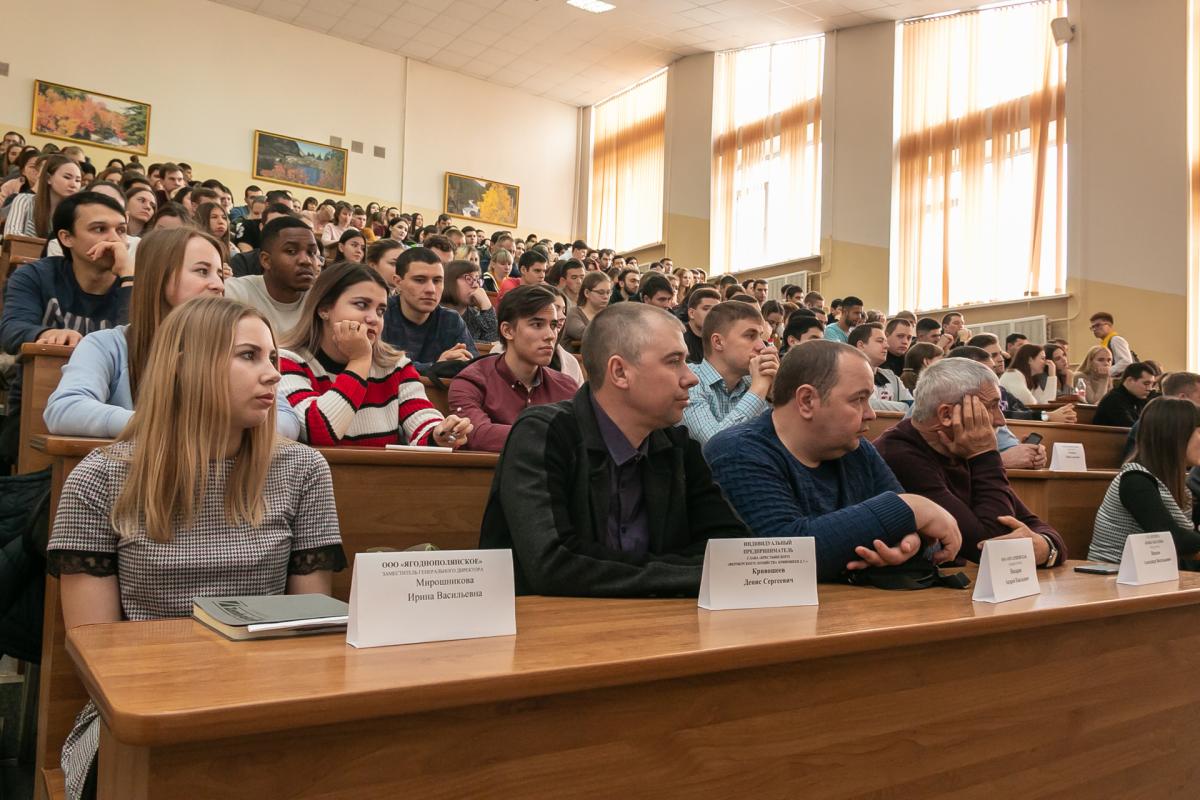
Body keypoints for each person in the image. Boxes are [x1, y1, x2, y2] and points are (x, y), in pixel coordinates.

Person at [47, 296, 346, 799]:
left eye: (273, 357)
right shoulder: (100, 479)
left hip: (267, 704)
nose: (274, 374)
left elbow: (305, 633)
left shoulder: (303, 471)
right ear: (184, 368)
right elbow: (96, 654)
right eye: (248, 356)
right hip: (142, 713)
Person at [478, 302, 751, 596]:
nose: (691, 377)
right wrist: (691, 572)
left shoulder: (678, 445)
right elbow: (553, 564)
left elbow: (731, 552)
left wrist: (665, 573)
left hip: (662, 628)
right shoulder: (543, 434)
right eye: (674, 361)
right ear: (619, 372)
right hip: (552, 631)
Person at [705, 341, 962, 582]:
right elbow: (784, 556)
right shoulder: (737, 451)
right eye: (858, 399)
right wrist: (910, 509)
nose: (871, 414)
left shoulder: (857, 449)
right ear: (807, 400)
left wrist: (911, 545)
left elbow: (930, 539)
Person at [43, 227, 299, 439]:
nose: (219, 285)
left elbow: (287, 421)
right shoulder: (108, 345)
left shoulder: (239, 347)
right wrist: (171, 428)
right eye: (202, 271)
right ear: (159, 276)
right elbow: (65, 410)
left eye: (220, 274)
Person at [874, 358, 1067, 568]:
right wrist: (985, 454)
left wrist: (1045, 547)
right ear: (947, 414)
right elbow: (990, 544)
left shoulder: (960, 449)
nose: (1001, 420)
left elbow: (1034, 525)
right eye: (991, 407)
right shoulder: (900, 455)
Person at [0, 192, 133, 465]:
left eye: (121, 230)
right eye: (99, 229)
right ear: (66, 237)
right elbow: (11, 329)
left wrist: (129, 278)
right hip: (37, 403)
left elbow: (139, 339)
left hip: (119, 410)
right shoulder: (35, 276)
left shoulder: (133, 282)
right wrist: (44, 334)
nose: (114, 239)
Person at [278, 263, 470, 449]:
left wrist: (439, 432)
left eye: (380, 311)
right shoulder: (287, 361)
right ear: (324, 309)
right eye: (361, 305)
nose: (373, 319)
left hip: (380, 479)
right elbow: (318, 431)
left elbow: (420, 416)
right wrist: (359, 360)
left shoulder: (395, 366)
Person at [448, 285, 578, 453]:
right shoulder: (471, 381)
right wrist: (555, 436)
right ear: (508, 331)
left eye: (553, 325)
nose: (551, 335)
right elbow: (477, 434)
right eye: (537, 324)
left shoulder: (566, 386)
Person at [1089, 397, 1200, 566]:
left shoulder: (1177, 483)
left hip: (1154, 576)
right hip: (1114, 580)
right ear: (1175, 435)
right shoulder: (1135, 481)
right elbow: (1174, 538)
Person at [682, 301, 777, 445]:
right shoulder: (690, 380)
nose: (761, 346)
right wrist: (758, 391)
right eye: (750, 336)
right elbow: (715, 444)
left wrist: (777, 394)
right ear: (718, 342)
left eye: (760, 336)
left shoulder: (753, 380)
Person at [381, 246, 478, 371]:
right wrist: (436, 367)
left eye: (437, 281)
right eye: (420, 280)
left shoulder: (451, 320)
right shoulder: (381, 314)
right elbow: (380, 365)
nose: (431, 289)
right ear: (398, 282)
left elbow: (474, 368)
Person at [953, 346, 1049, 470]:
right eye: (984, 374)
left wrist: (1027, 451)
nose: (1001, 359)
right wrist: (1000, 461)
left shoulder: (1000, 393)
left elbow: (1027, 409)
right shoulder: (957, 402)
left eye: (992, 372)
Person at [223, 217, 319, 336]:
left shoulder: (321, 300)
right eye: (291, 251)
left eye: (312, 252)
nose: (306, 261)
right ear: (266, 260)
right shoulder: (237, 293)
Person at [967, 333, 1077, 424]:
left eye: (1000, 354)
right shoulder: (975, 391)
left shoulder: (1001, 389)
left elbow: (1026, 411)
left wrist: (1049, 415)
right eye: (993, 355)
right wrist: (1047, 416)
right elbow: (1007, 414)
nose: (1001, 359)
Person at [5, 154, 82, 238]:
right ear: (48, 178)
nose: (73, 184)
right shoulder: (25, 200)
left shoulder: (76, 213)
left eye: (78, 180)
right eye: (67, 177)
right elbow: (11, 235)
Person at [849, 322, 911, 412]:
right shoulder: (848, 375)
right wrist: (906, 407)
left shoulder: (891, 376)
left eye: (885, 341)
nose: (887, 346)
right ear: (861, 345)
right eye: (880, 341)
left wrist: (908, 406)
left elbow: (913, 404)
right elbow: (869, 404)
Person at [442, 259, 497, 344]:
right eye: (469, 279)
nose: (476, 285)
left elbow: (493, 345)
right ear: (450, 281)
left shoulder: (475, 315)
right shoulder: (434, 314)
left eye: (478, 279)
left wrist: (487, 308)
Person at [1092, 362, 1157, 427]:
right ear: (1130, 380)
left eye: (1152, 384)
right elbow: (1131, 428)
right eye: (1146, 384)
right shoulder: (1113, 400)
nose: (1150, 389)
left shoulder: (1139, 398)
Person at [563, 271, 610, 353]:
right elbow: (583, 333)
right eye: (601, 292)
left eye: (608, 292)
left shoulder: (609, 314)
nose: (606, 297)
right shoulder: (573, 313)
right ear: (587, 293)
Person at [1089, 311, 1134, 378]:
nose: (1095, 329)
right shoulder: (1105, 343)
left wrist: (1107, 371)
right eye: (1093, 327)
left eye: (1098, 325)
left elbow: (1126, 362)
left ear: (1109, 325)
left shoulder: (1116, 340)